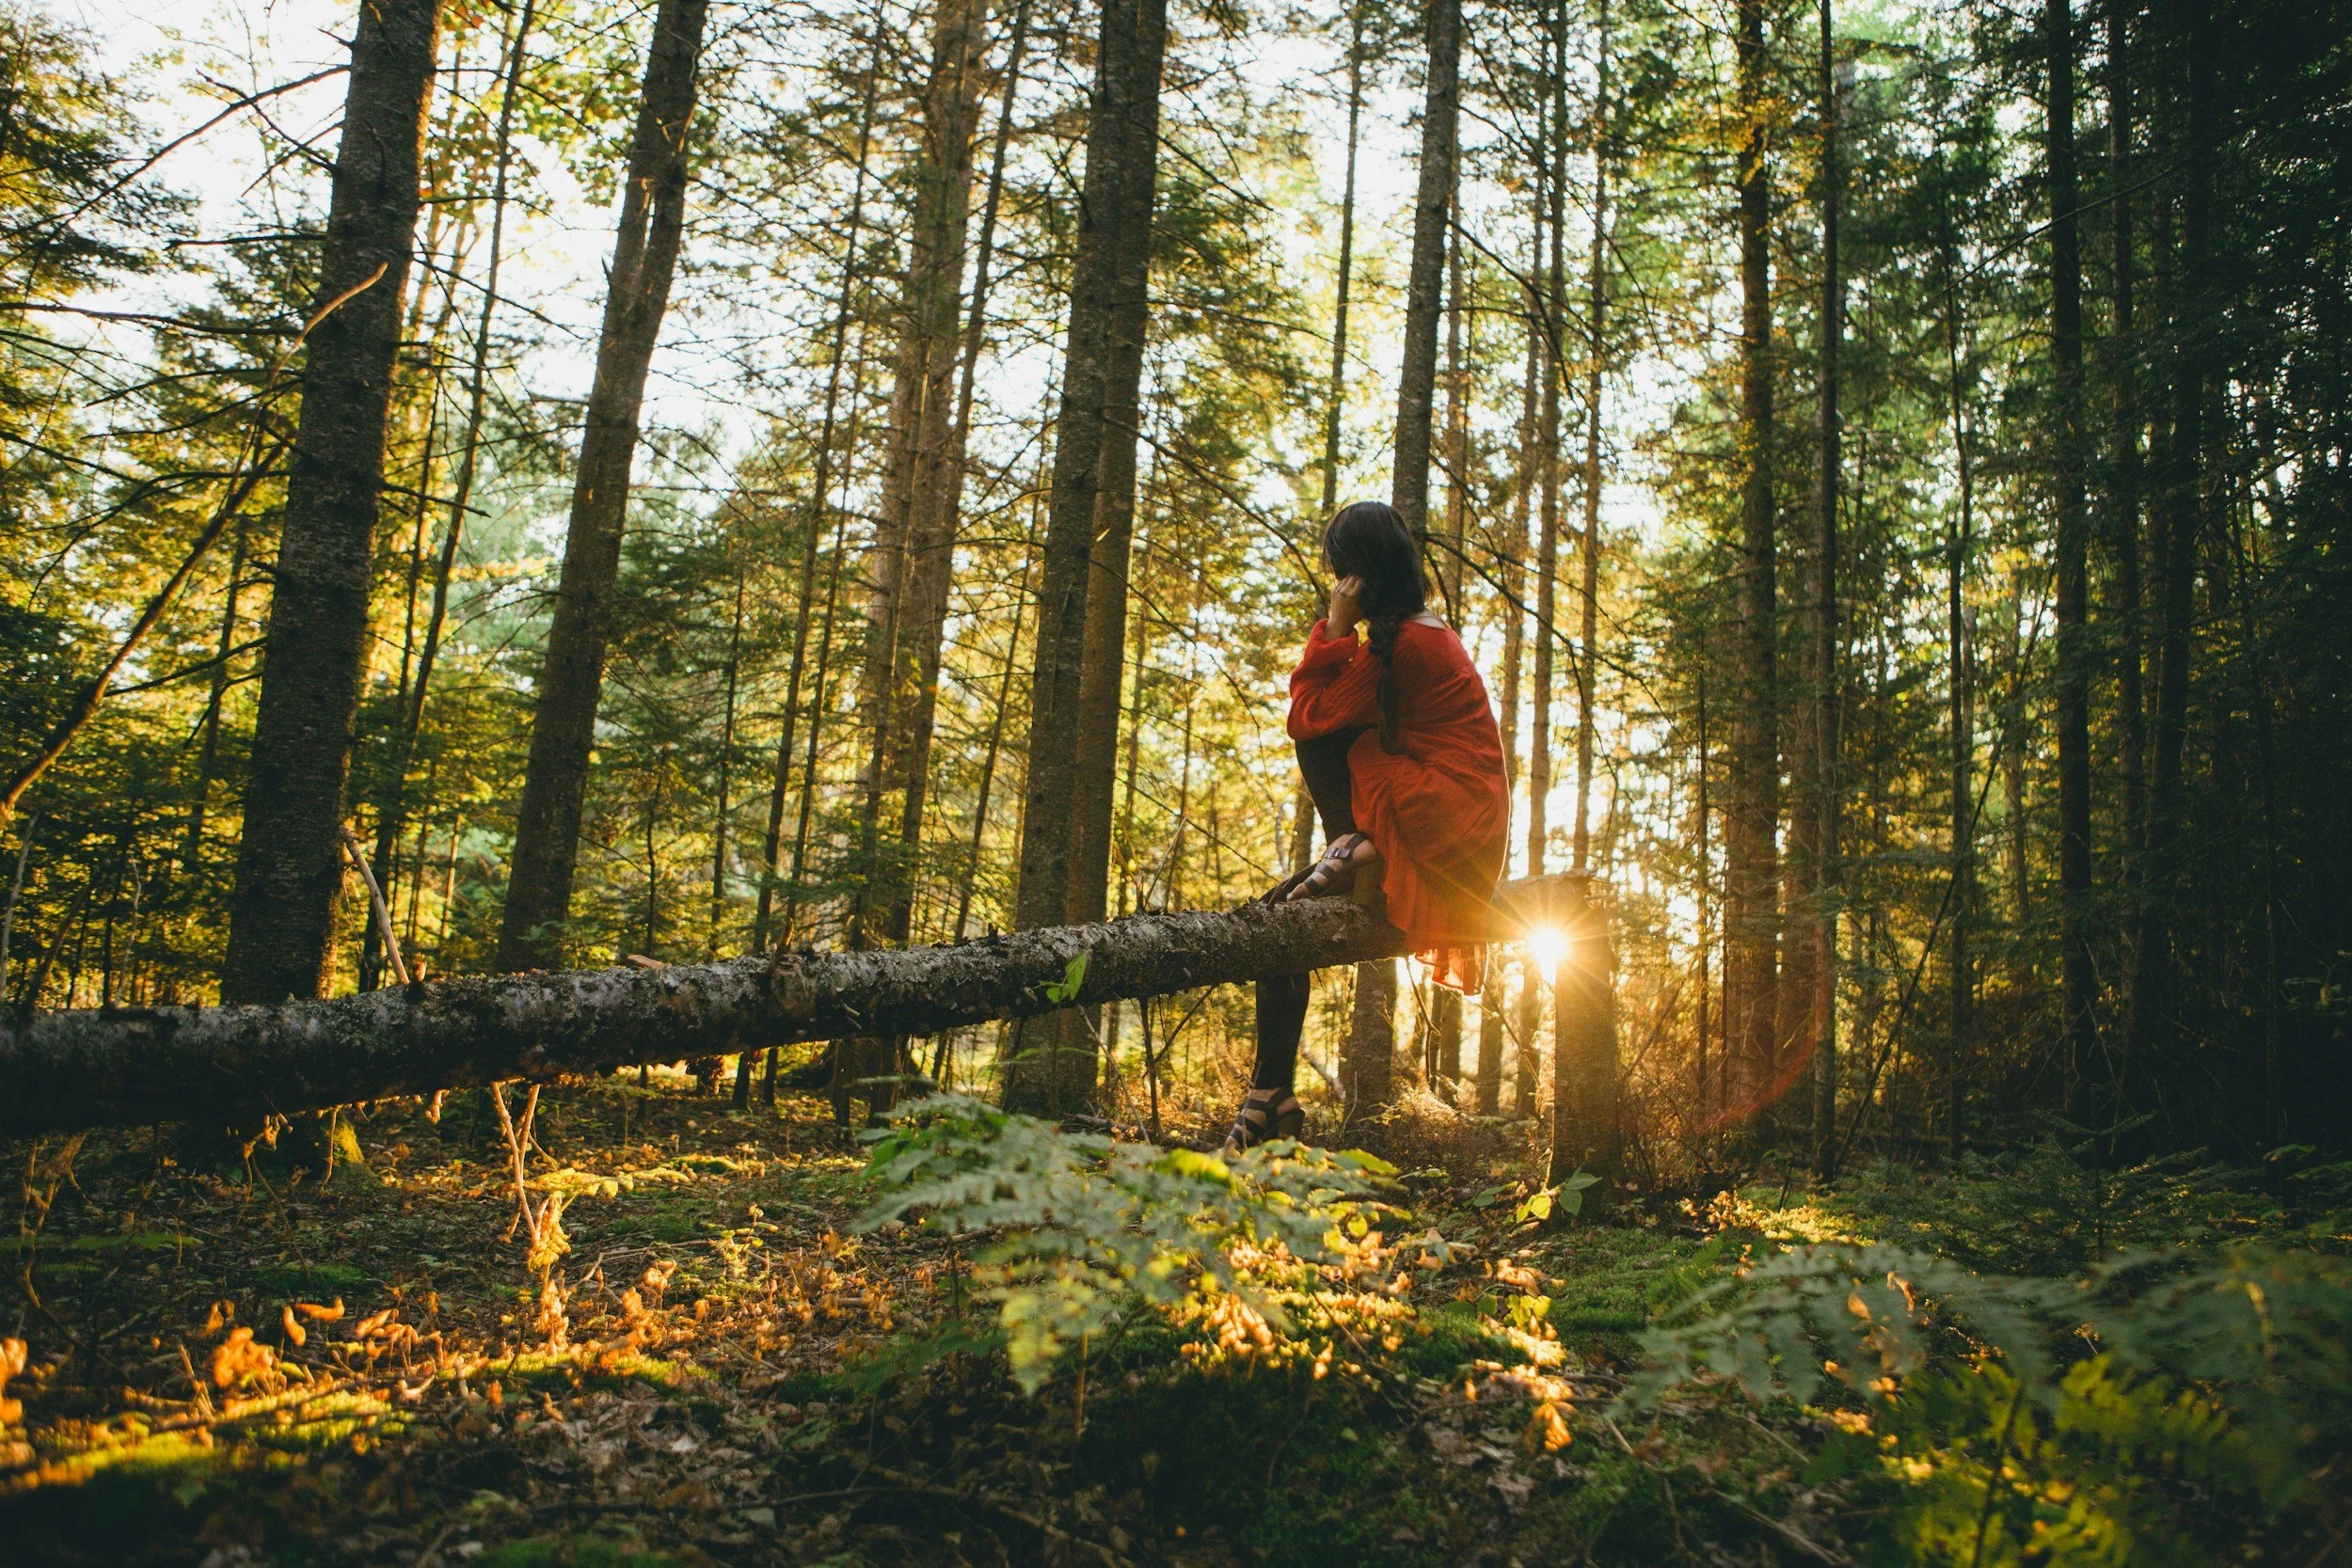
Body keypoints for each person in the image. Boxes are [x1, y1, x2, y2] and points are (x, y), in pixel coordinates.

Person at [1224, 499, 1510, 1152]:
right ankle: (1271, 1094)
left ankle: (1356, 846)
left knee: (1325, 736)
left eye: (1342, 573)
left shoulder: (1406, 644)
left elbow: (1307, 715)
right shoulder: (1415, 632)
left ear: (1359, 574)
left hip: (1444, 818)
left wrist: (1333, 625)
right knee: (1279, 914)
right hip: (1452, 817)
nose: (1340, 585)